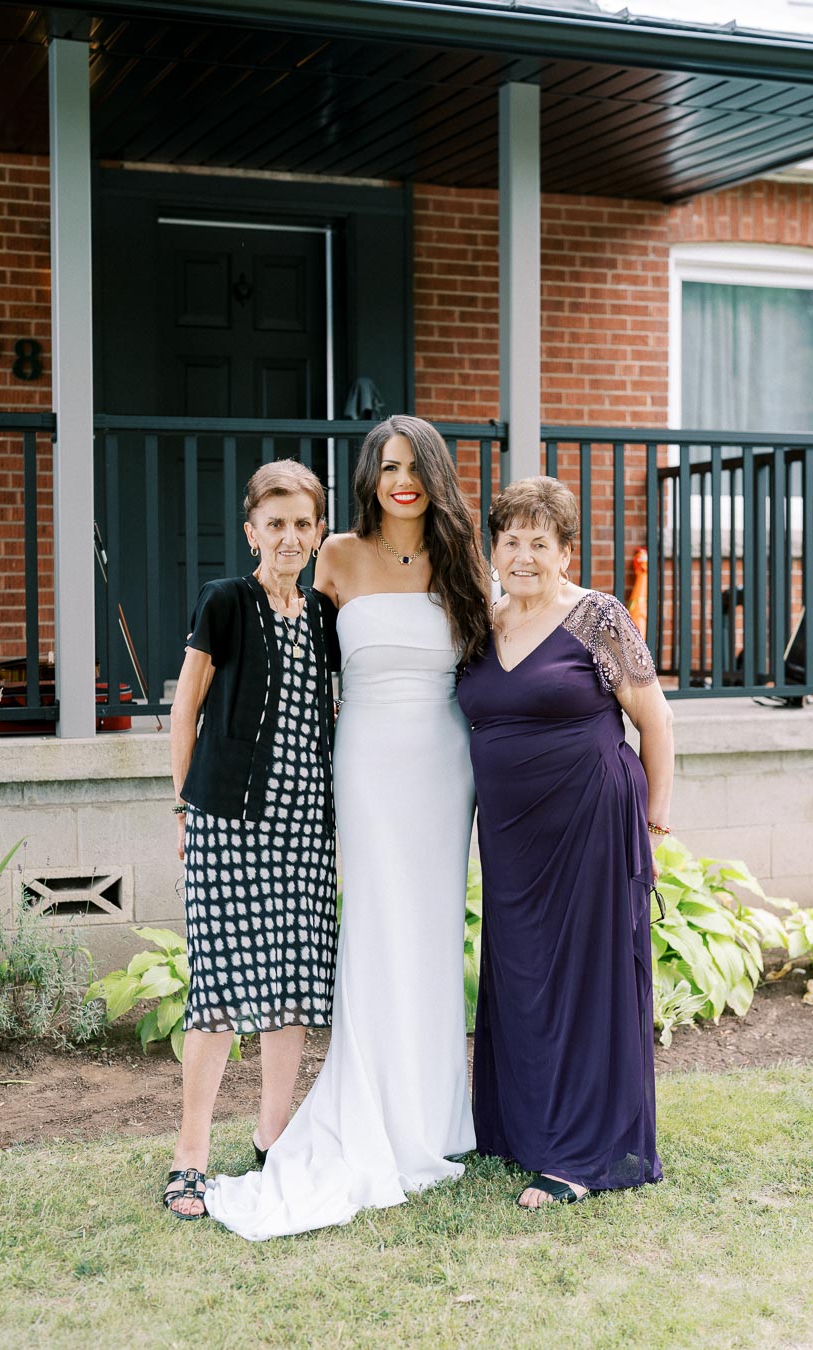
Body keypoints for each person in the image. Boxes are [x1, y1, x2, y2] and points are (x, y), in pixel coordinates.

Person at [205, 414, 489, 1238]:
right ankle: (369, 1108)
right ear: (369, 477)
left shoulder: (464, 561)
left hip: (444, 768)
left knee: (432, 934)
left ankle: (434, 1118)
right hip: (363, 766)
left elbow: (511, 642)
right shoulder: (336, 555)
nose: (401, 480)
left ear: (434, 474)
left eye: (415, 466)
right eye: (387, 466)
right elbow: (282, 642)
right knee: (373, 932)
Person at [456, 476, 674, 1209]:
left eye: (538, 543)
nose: (522, 555)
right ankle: (524, 1130)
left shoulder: (597, 616)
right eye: (510, 540)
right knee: (521, 975)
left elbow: (655, 719)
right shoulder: (480, 624)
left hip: (591, 820)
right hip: (513, 836)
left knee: (587, 980)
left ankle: (582, 1155)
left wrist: (655, 816)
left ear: (565, 551)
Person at [164, 459, 340, 1219]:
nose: (290, 537)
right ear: (252, 532)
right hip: (227, 820)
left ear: (318, 530)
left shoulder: (326, 615)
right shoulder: (225, 602)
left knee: (292, 983)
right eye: (276, 524)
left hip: (305, 825)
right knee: (220, 988)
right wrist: (181, 807)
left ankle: (274, 1138)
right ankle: (190, 1156)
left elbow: (329, 714)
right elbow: (186, 709)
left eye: (303, 523)